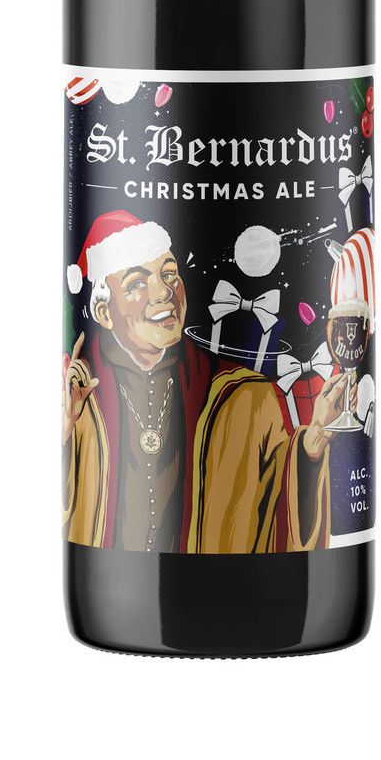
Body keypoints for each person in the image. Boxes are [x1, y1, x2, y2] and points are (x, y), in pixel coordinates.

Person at [62, 211, 345, 552]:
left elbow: (280, 498)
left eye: (169, 274)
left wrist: (313, 444)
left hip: (244, 578)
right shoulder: (77, 396)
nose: (163, 293)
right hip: (108, 575)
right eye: (136, 283)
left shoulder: (244, 394)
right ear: (104, 313)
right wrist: (65, 428)